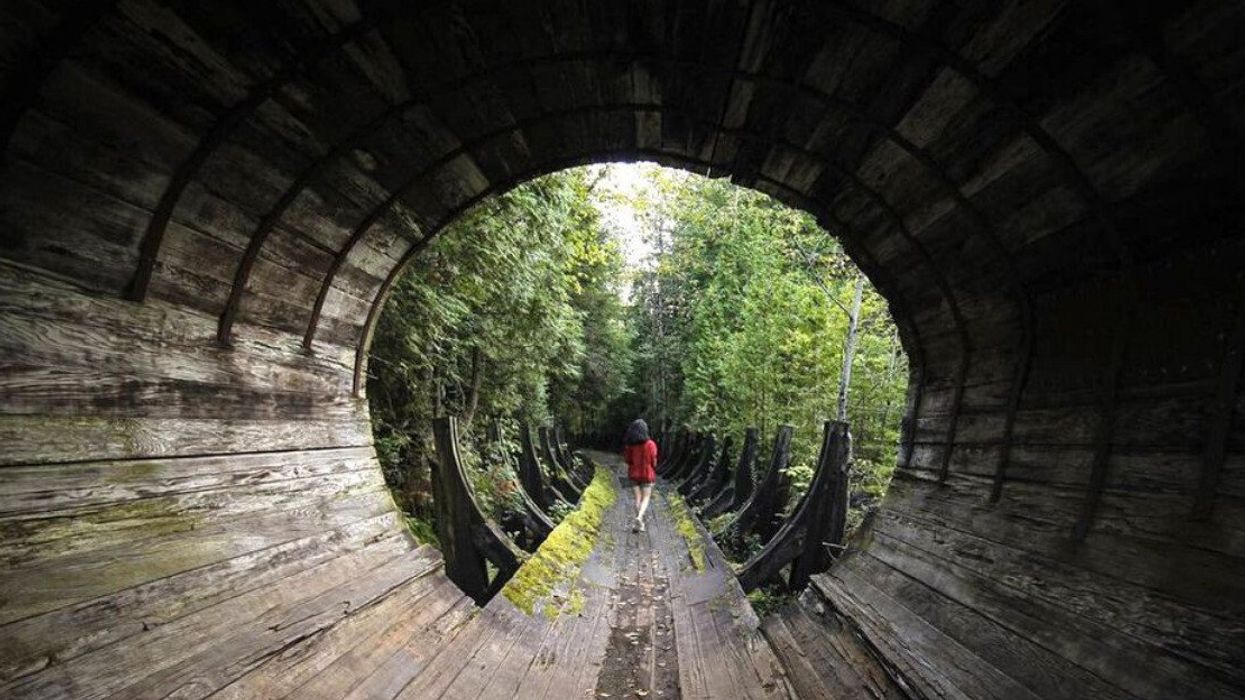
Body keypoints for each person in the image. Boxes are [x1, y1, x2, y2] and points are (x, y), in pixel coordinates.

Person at [622, 418, 658, 532]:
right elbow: (654, 461)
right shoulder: (651, 444)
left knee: (637, 498)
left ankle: (640, 523)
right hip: (647, 474)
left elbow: (627, 460)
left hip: (634, 474)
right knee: (646, 498)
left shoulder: (630, 446)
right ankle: (639, 517)